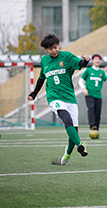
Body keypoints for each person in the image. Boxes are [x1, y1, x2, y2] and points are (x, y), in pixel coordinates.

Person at [27, 33, 90, 164]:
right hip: (54, 97)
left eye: (55, 47)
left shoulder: (66, 56)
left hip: (69, 98)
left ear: (59, 45)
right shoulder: (44, 60)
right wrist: (34, 93)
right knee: (66, 119)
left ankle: (67, 153)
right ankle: (80, 145)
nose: (54, 50)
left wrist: (86, 60)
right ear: (46, 50)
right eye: (50, 49)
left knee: (74, 129)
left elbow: (80, 63)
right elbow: (41, 78)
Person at [78, 54, 107, 135]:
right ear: (92, 60)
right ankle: (92, 125)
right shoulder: (88, 70)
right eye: (95, 59)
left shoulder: (101, 72)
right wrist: (84, 89)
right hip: (89, 94)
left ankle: (96, 128)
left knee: (98, 112)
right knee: (91, 108)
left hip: (98, 95)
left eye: (99, 59)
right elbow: (80, 80)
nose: (97, 61)